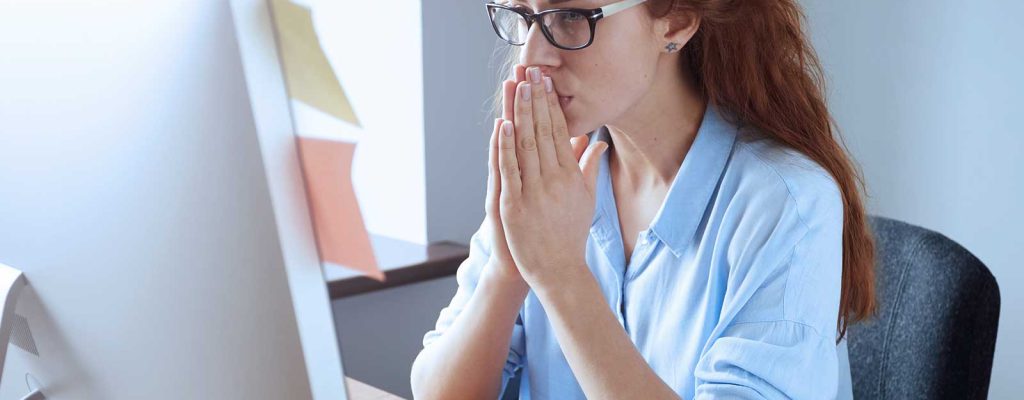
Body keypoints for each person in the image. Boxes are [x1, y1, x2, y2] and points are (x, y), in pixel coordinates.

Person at [411, 0, 876, 398]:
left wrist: (559, 275)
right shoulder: (552, 174)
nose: (531, 57)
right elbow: (435, 390)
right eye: (522, 16)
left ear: (674, 21)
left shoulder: (787, 203)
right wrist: (508, 269)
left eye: (571, 16)